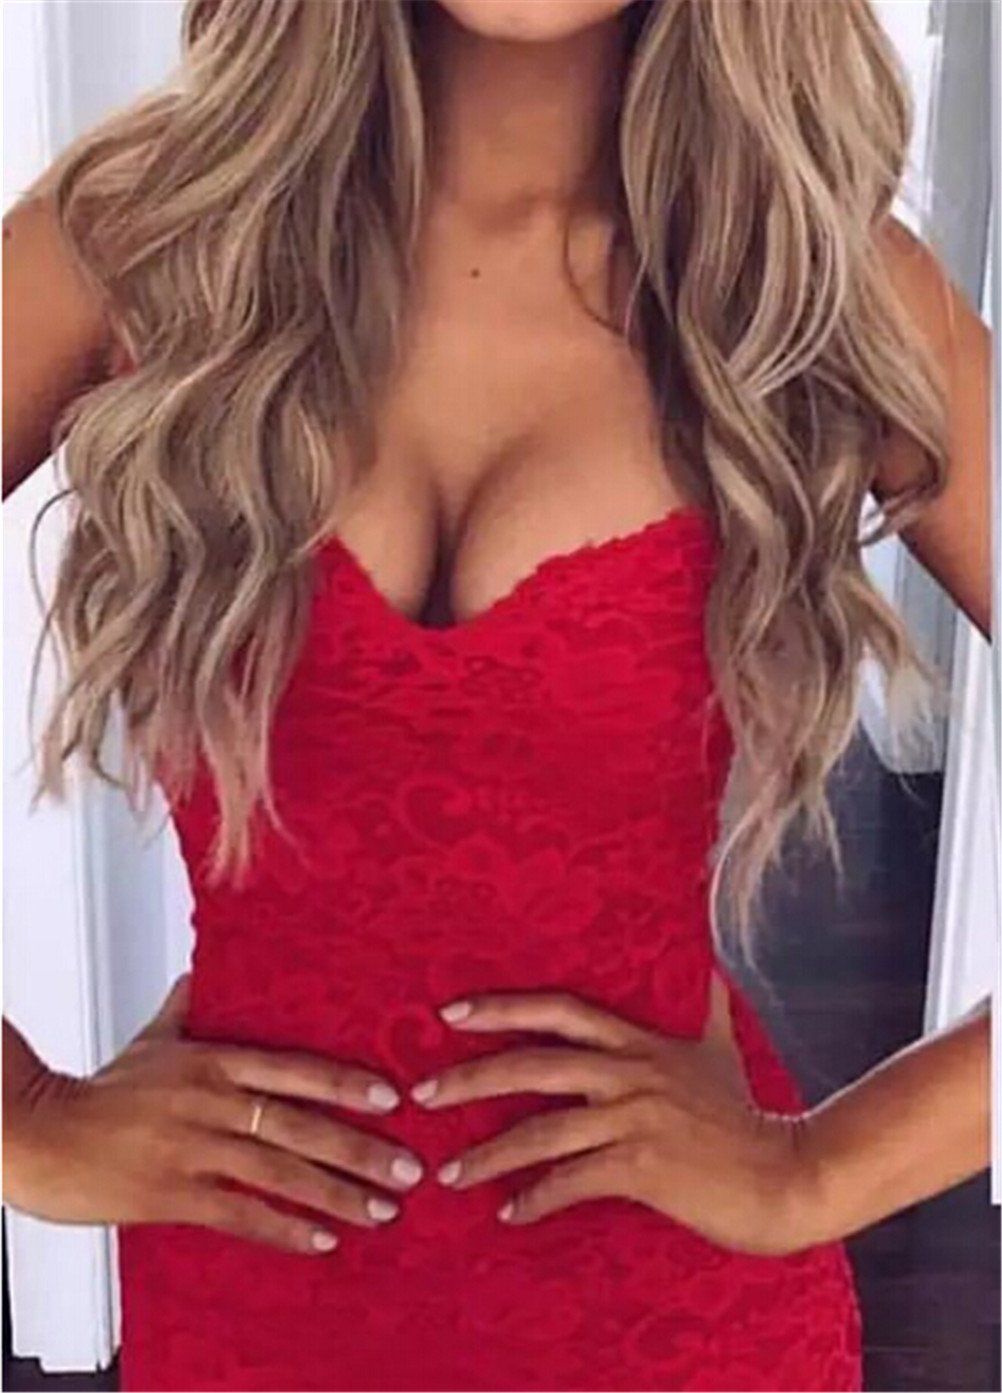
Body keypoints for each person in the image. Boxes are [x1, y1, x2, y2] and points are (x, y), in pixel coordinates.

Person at [1, 1, 992, 1390]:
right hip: (252, 1301)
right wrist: (26, 1119)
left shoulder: (810, 281)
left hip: (674, 1319)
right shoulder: (143, 237)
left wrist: (817, 1172)